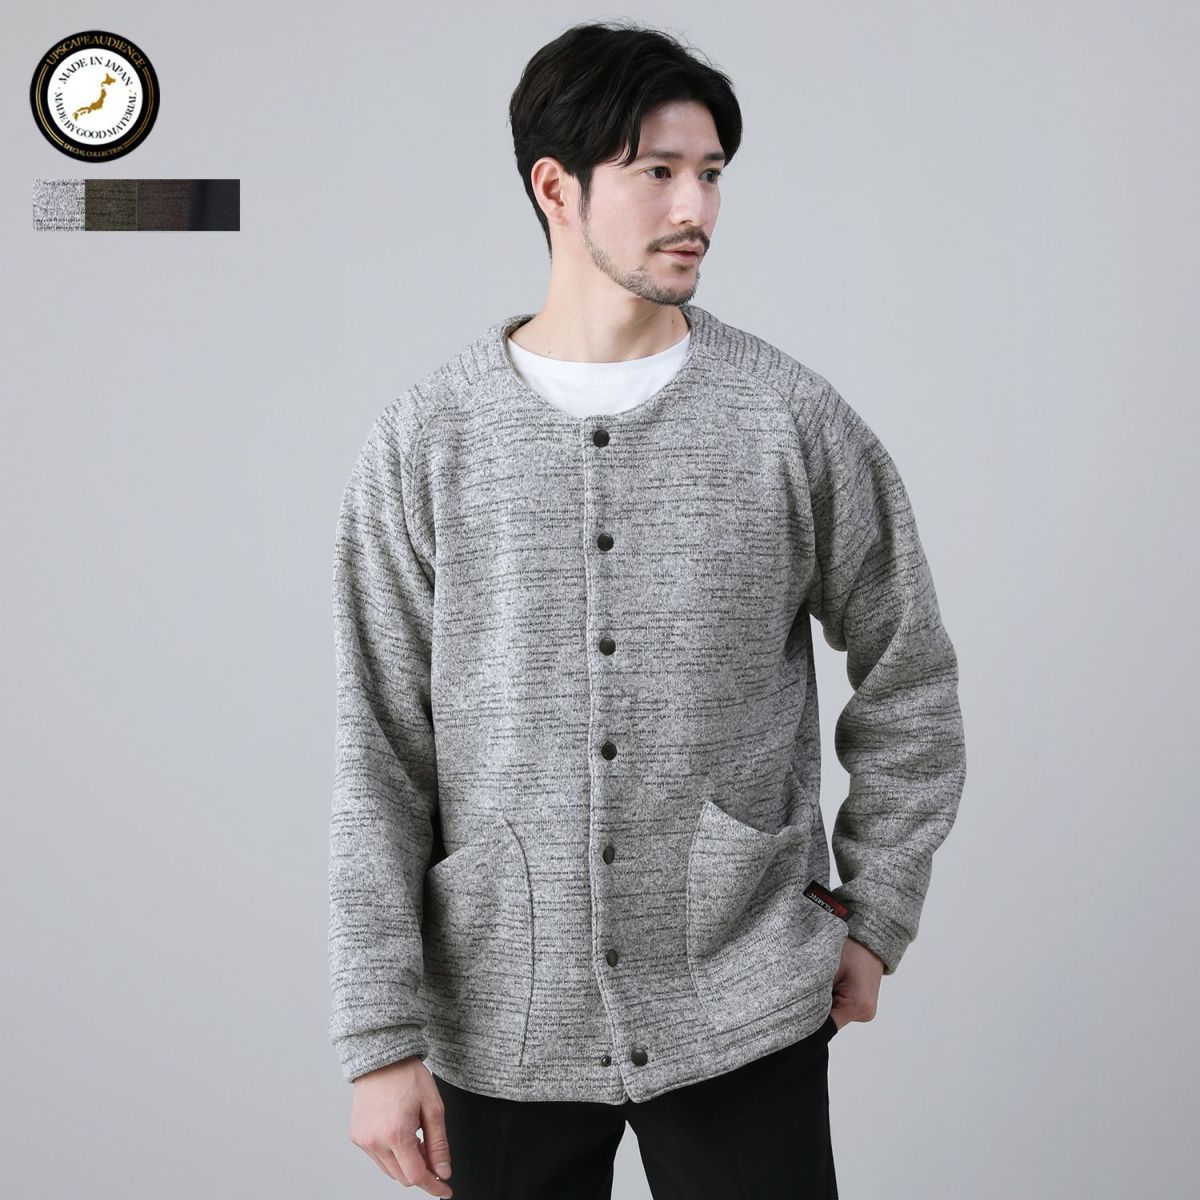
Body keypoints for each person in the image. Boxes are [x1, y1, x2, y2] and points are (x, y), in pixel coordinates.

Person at [328, 19, 967, 1200]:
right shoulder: (428, 440)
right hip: (502, 1009)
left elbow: (912, 677)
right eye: (658, 171)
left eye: (711, 173)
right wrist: (379, 1037)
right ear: (556, 188)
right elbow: (379, 751)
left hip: (743, 996)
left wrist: (876, 909)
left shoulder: (788, 421)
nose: (696, 208)